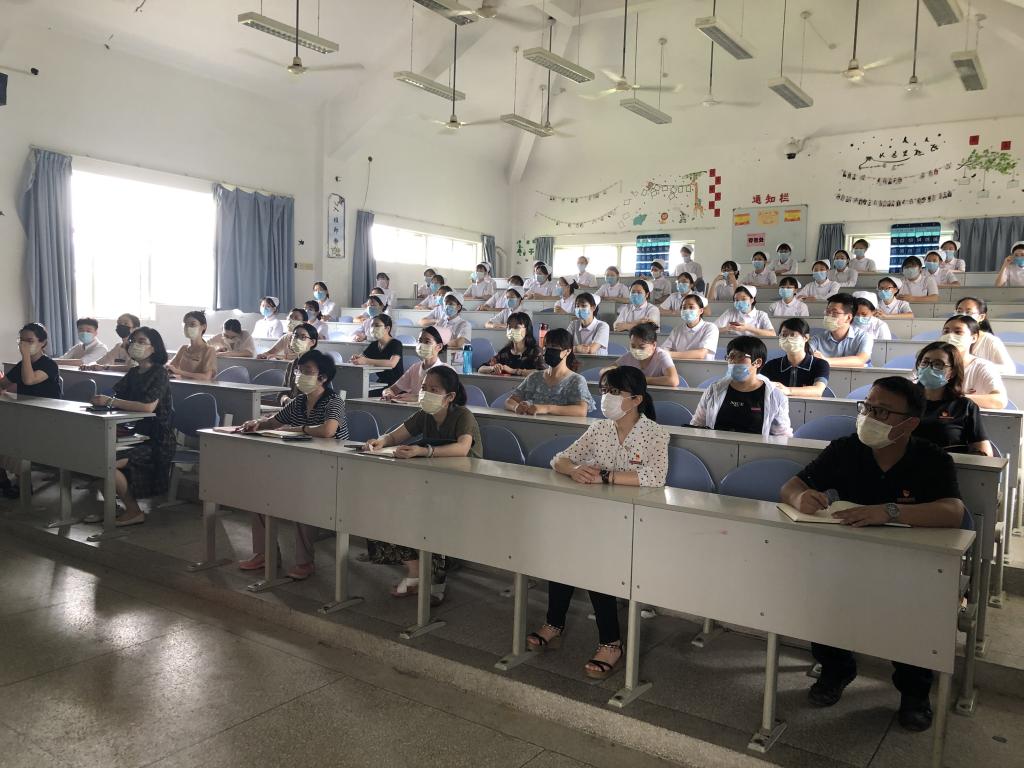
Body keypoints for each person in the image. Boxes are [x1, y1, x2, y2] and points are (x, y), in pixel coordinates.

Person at [779, 377, 967, 732]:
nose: (868, 416)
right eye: (866, 407)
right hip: (847, 557)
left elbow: (953, 511)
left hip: (910, 564)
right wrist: (800, 498)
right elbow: (792, 486)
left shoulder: (931, 458)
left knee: (913, 613)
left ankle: (914, 692)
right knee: (825, 595)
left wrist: (889, 512)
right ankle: (835, 670)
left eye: (881, 411)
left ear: (909, 423)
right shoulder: (845, 449)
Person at [528, 366, 669, 678]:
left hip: (634, 520)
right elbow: (560, 459)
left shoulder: (655, 434)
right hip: (595, 517)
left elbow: (655, 476)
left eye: (615, 392)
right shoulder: (599, 429)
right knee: (564, 555)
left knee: (595, 563)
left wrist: (605, 476)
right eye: (604, 391)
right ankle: (554, 623)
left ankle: (611, 642)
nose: (606, 398)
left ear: (636, 399)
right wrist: (574, 470)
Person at [364, 366, 482, 604]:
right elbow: (395, 436)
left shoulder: (463, 416)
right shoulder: (424, 415)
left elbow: (462, 448)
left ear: (450, 396)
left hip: (463, 485)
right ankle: (417, 571)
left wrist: (424, 451)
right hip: (429, 481)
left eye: (434, 390)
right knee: (381, 507)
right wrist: (381, 441)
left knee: (435, 515)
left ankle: (435, 579)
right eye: (424, 388)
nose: (426, 393)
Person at [239, 350, 347, 580]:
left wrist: (299, 429)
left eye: (307, 371)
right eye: (299, 371)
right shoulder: (299, 401)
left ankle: (305, 562)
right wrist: (256, 423)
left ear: (323, 377)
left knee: (302, 502)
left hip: (329, 469)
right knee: (259, 497)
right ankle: (265, 554)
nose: (300, 375)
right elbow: (274, 422)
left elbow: (328, 430)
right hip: (297, 466)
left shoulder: (333, 401)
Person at [88, 327, 175, 526]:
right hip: (137, 435)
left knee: (107, 464)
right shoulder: (134, 372)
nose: (135, 345)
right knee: (95, 458)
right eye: (133, 341)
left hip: (157, 441)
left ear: (154, 348)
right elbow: (119, 396)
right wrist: (101, 401)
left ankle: (134, 511)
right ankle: (112, 509)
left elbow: (147, 407)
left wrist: (110, 401)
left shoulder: (159, 373)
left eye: (142, 341)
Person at [690, 335, 792, 436]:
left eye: (740, 356)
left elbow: (782, 436)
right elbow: (697, 425)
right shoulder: (714, 390)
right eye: (731, 356)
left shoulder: (775, 396)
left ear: (757, 362)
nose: (733, 361)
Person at [913, 342, 992, 455]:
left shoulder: (965, 406)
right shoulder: (905, 399)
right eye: (925, 362)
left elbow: (983, 452)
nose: (929, 368)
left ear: (952, 372)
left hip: (948, 464)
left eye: (938, 364)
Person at [505, 328, 594, 416]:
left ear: (568, 351)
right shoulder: (534, 377)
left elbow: (581, 410)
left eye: (554, 347)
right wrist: (516, 407)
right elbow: (510, 401)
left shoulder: (576, 380)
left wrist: (546, 408)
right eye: (546, 346)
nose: (549, 350)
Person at [940, 315, 1008, 410]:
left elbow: (999, 401)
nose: (950, 336)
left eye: (958, 332)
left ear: (974, 338)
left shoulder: (983, 367)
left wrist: (960, 397)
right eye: (946, 332)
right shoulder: (931, 362)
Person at [761, 318, 830, 397]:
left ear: (806, 337)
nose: (788, 339)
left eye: (793, 335)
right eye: (784, 335)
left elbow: (818, 390)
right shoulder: (771, 365)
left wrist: (788, 390)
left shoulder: (820, 364)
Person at [381, 326, 451, 402]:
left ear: (439, 347)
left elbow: (445, 398)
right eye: (420, 341)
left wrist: (417, 398)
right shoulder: (415, 367)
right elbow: (391, 389)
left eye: (427, 342)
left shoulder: (447, 370)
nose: (421, 344)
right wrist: (387, 393)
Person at [955, 297, 1016, 376]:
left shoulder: (990, 340)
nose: (962, 316)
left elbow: (1009, 369)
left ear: (981, 317)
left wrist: (975, 366)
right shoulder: (949, 337)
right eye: (959, 312)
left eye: (968, 312)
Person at [809, 293, 873, 368]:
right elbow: (804, 355)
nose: (829, 316)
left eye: (834, 312)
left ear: (848, 318)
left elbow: (860, 360)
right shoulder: (818, 339)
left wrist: (825, 360)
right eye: (827, 311)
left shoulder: (864, 337)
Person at [350, 313, 404, 398]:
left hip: (396, 386)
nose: (373, 328)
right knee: (359, 393)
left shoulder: (396, 343)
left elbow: (392, 363)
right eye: (372, 325)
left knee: (365, 395)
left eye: (377, 325)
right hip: (382, 383)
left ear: (387, 328)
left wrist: (366, 361)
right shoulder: (374, 345)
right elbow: (362, 358)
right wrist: (356, 359)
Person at [609, 322, 679, 387]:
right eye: (633, 346)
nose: (636, 350)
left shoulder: (661, 355)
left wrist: (641, 380)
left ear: (654, 345)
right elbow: (608, 370)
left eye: (642, 347)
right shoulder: (630, 356)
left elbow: (673, 380)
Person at [2, 322, 61, 399]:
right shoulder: (21, 365)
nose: (24, 345)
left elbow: (29, 380)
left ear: (43, 343)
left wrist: (25, 354)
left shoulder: (50, 364)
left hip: (47, 406)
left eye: (30, 341)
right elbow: (3, 384)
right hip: (25, 405)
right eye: (22, 340)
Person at [479, 312, 544, 375]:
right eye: (509, 327)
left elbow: (542, 372)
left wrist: (513, 371)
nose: (512, 330)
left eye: (516, 327)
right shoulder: (505, 352)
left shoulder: (535, 351)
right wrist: (493, 368)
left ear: (527, 330)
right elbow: (481, 369)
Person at [661, 293, 718, 361]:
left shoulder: (710, 328)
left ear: (701, 311)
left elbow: (701, 354)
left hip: (702, 367)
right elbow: (664, 349)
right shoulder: (677, 330)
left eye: (691, 307)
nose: (686, 310)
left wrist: (669, 354)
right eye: (684, 308)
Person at [167, 310, 216, 381]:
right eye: (185, 325)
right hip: (181, 385)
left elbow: (206, 377)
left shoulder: (209, 350)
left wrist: (179, 372)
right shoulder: (183, 348)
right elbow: (171, 367)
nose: (188, 327)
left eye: (192, 324)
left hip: (198, 387)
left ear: (204, 327)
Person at [278, 323, 320, 406]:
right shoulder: (291, 365)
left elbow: (318, 395)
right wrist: (286, 400)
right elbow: (282, 392)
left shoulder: (317, 365)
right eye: (295, 336)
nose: (297, 339)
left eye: (303, 337)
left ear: (312, 342)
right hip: (291, 409)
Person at [440, 293, 472, 368]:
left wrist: (440, 345)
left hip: (456, 360)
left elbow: (458, 342)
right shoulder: (441, 322)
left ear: (458, 307)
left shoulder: (465, 324)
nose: (447, 306)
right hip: (440, 358)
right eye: (446, 303)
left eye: (451, 304)